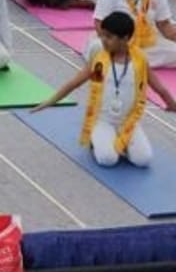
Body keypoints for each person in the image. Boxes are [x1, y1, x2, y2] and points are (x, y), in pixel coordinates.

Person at [32, 11, 176, 168]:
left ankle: (121, 142)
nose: (104, 41)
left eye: (109, 37)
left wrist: (172, 105)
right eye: (103, 36)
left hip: (127, 120)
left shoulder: (140, 61)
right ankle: (97, 139)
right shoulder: (100, 61)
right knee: (108, 159)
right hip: (103, 120)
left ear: (125, 38)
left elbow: (160, 88)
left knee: (143, 160)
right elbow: (74, 83)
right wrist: (50, 101)